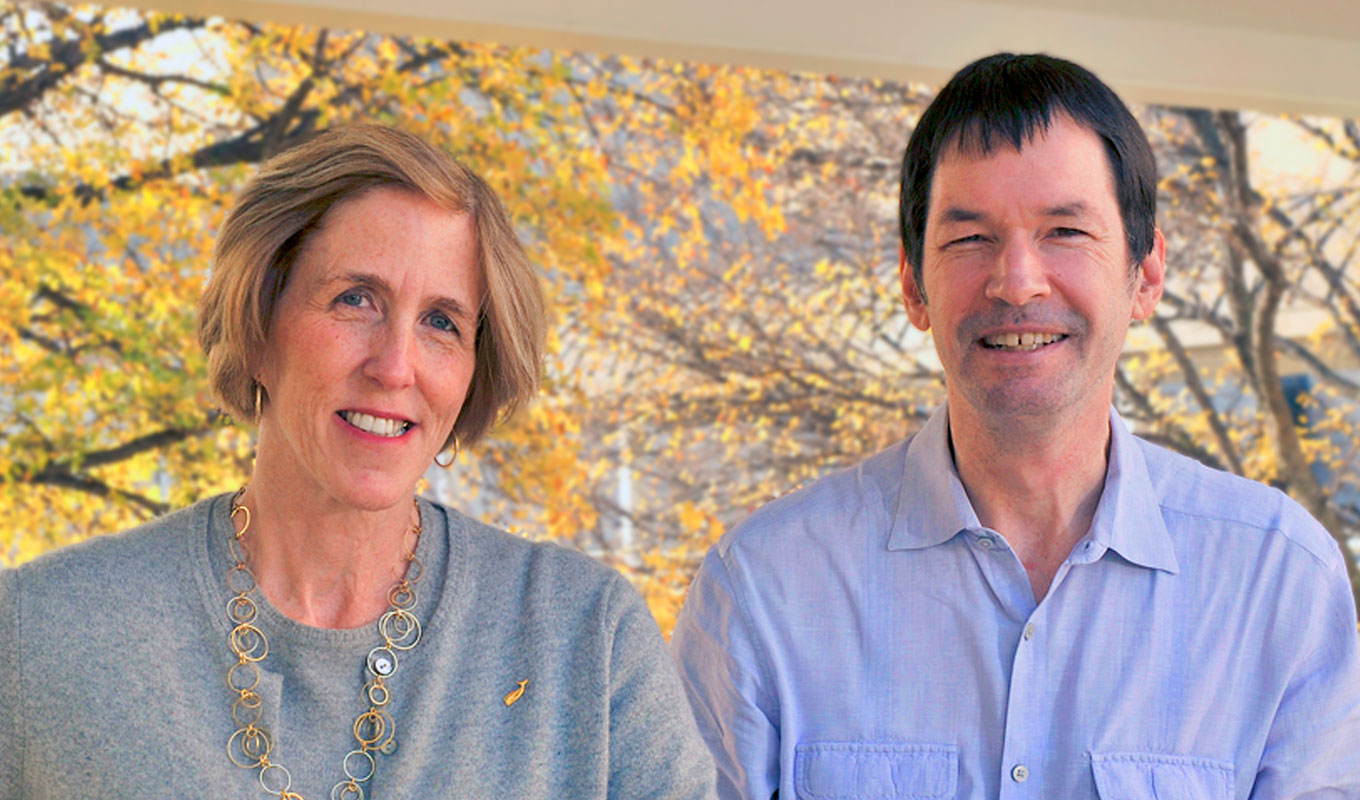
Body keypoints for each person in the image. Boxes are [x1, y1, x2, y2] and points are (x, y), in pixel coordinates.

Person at [671, 53, 1360, 798]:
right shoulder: (764, 591)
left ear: (1146, 275)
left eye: (1065, 230)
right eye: (971, 239)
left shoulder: (1278, 582)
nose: (1018, 280)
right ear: (913, 284)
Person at [0, 124, 715, 799]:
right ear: (256, 326)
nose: (396, 365)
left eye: (442, 321)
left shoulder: (587, 640)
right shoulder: (44, 634)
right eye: (355, 300)